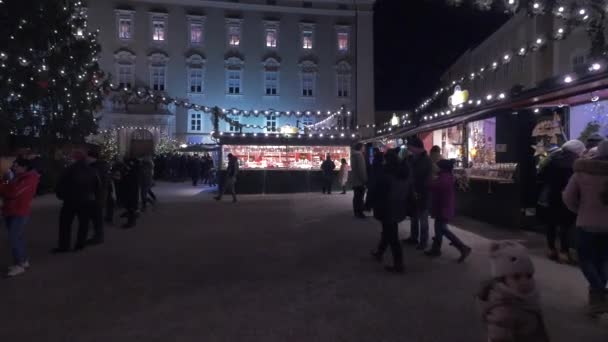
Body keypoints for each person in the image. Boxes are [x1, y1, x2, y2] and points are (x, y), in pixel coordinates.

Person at [563, 140, 608, 316]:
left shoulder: (582, 172)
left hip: (586, 223)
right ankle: (597, 299)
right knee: (604, 259)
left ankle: (599, 292)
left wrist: (579, 210)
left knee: (586, 259)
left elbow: (568, 197)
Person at [477, 241, 550, 342]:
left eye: (529, 276)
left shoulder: (526, 298)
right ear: (502, 279)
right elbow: (499, 337)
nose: (524, 282)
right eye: (516, 277)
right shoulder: (503, 310)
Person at [538, 139, 585, 263]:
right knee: (565, 225)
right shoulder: (576, 162)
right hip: (567, 195)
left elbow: (541, 174)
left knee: (551, 223)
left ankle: (551, 249)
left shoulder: (551, 159)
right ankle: (564, 251)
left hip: (551, 195)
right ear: (577, 150)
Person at [370, 149, 410, 273]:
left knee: (392, 236)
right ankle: (379, 252)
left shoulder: (387, 174)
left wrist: (372, 203)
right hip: (397, 207)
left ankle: (399, 265)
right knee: (388, 232)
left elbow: (378, 192)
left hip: (387, 208)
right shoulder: (402, 172)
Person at [54, 151, 101, 252]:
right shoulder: (92, 170)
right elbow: (97, 186)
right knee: (83, 224)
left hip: (70, 200)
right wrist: (94, 198)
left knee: (65, 224)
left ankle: (64, 246)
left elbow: (60, 184)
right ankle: (80, 244)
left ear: (75, 158)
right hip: (86, 200)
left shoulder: (68, 169)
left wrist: (61, 196)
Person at [425, 159, 472, 262]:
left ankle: (463, 247)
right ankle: (436, 249)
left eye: (436, 166)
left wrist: (429, 178)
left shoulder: (444, 178)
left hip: (443, 208)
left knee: (442, 229)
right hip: (443, 207)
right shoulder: (445, 176)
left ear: (442, 168)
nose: (435, 167)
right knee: (439, 229)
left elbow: (431, 186)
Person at [0, 158, 40, 277]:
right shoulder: (17, 177)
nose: (14, 167)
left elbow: (13, 192)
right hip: (10, 210)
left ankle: (19, 264)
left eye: (16, 166)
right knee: (18, 237)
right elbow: (8, 186)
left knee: (14, 238)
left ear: (24, 167)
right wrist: (4, 183)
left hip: (19, 212)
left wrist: (2, 185)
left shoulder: (29, 178)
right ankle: (23, 260)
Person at [403, 136, 433, 250]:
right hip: (413, 191)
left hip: (423, 192)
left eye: (410, 147)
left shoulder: (425, 160)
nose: (409, 149)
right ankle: (414, 237)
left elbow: (423, 177)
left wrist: (417, 189)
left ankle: (423, 241)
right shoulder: (412, 158)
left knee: (423, 219)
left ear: (416, 147)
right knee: (414, 217)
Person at [86, 149, 110, 245]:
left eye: (88, 157)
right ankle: (98, 236)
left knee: (96, 217)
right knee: (97, 216)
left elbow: (94, 182)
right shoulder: (102, 166)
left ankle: (98, 237)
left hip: (96, 195)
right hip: (100, 194)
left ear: (91, 157)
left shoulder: (95, 168)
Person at [120, 157, 140, 228]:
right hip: (131, 190)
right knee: (130, 205)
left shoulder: (133, 171)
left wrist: (125, 174)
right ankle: (131, 218)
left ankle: (131, 222)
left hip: (131, 191)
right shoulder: (134, 170)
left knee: (131, 206)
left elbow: (128, 180)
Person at [350, 143, 368, 218]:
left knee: (356, 197)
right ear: (361, 148)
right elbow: (361, 170)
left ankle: (356, 211)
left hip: (355, 180)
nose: (364, 148)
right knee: (360, 197)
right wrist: (365, 180)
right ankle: (359, 212)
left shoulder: (353, 155)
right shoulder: (359, 156)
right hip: (359, 181)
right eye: (363, 147)